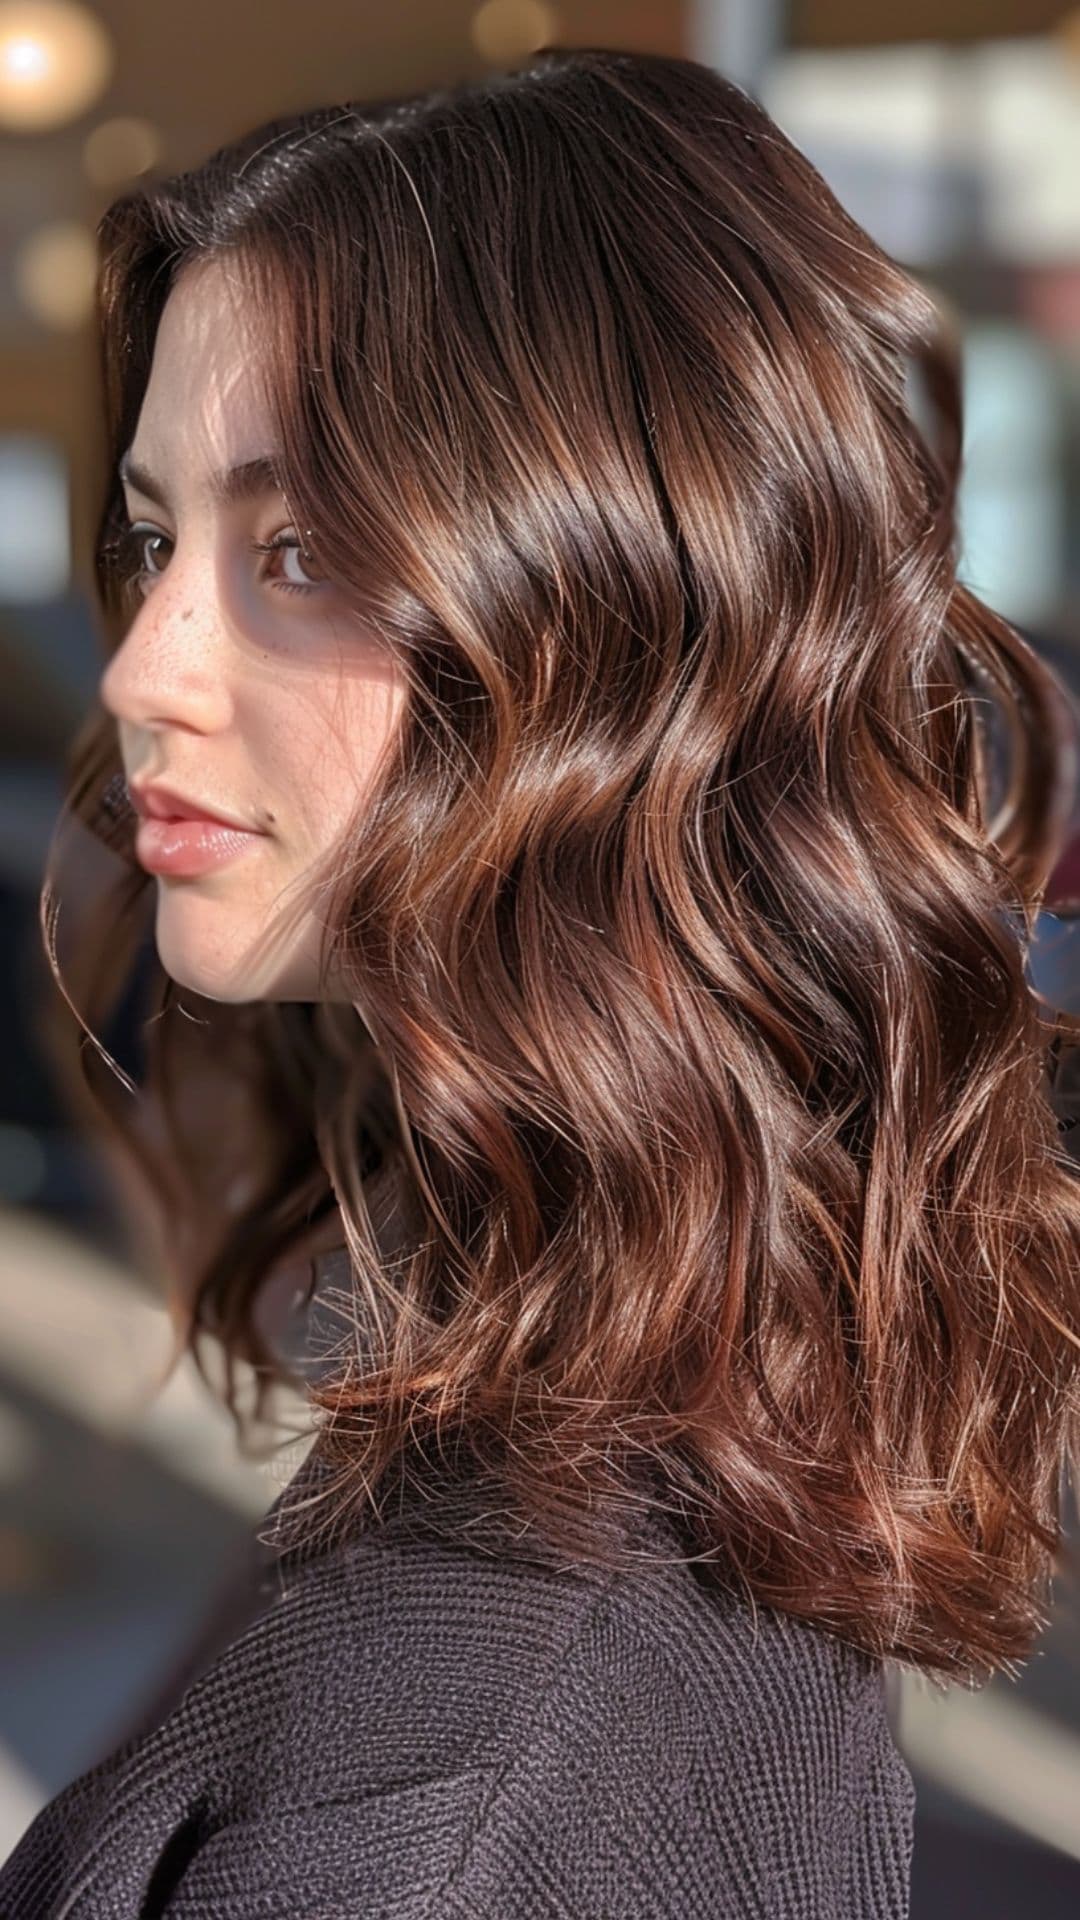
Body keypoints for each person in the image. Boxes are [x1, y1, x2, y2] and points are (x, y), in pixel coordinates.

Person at [4, 41, 1080, 1918]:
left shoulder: (449, 1817)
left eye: (303, 548)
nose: (142, 667)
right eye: (161, 539)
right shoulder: (649, 1400)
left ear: (622, 624)